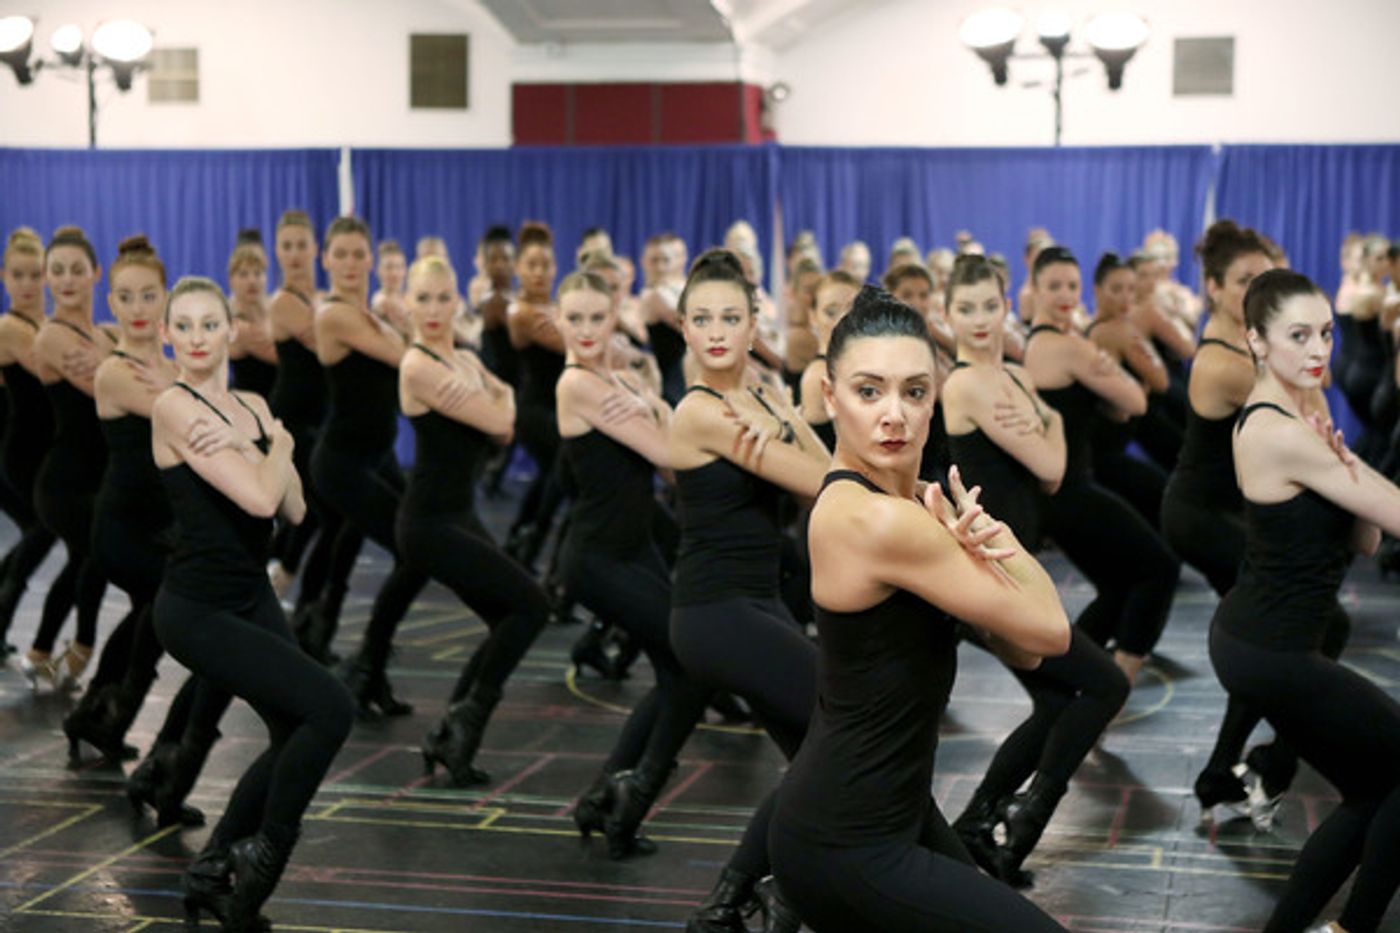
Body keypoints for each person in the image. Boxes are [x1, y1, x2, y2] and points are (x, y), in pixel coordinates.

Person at [768, 286, 1072, 933]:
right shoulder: (874, 519)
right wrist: (1001, 539)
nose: (894, 415)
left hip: (899, 815)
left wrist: (977, 559)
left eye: (914, 391)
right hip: (846, 839)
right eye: (868, 390)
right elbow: (1054, 627)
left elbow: (1028, 650)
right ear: (830, 396)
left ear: (935, 396)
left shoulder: (913, 512)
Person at [151, 275, 352, 930]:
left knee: (299, 724)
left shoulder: (253, 405)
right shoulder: (173, 407)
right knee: (331, 706)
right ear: (167, 335)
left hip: (251, 594)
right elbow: (264, 499)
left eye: (211, 324)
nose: (198, 337)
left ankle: (211, 871)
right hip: (196, 607)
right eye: (184, 326)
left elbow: (294, 506)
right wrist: (277, 447)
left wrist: (262, 444)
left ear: (232, 330)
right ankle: (259, 856)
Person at [1211, 268, 1400, 933]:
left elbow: (1368, 539)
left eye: (1325, 332)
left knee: (1376, 789)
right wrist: (1350, 474)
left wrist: (1346, 471)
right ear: (1256, 341)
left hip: (1272, 640)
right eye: (1298, 335)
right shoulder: (1274, 427)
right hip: (1268, 648)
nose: (1319, 349)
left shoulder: (1308, 411)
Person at [941, 254, 1129, 887]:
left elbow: (1054, 452)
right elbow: (1051, 467)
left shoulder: (1014, 374)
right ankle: (1022, 826)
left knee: (1054, 704)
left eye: (988, 306)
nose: (978, 320)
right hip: (989, 575)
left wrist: (1046, 423)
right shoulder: (966, 385)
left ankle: (977, 828)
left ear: (1006, 306)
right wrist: (1046, 424)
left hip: (1015, 571)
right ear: (948, 316)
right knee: (1104, 685)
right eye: (964, 309)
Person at [1163, 221, 1350, 827]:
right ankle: (1261, 765)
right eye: (1243, 280)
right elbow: (1311, 401)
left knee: (1287, 634)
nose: (1254, 288)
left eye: (1262, 279)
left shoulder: (1250, 346)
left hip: (1227, 512)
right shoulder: (1223, 362)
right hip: (1199, 515)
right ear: (1214, 288)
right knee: (1308, 628)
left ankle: (1230, 770)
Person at [667, 249, 830, 932]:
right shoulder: (701, 411)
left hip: (760, 605)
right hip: (713, 612)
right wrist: (782, 429)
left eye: (730, 317)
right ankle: (744, 889)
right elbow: (824, 484)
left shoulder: (761, 397)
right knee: (846, 720)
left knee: (820, 761)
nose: (716, 331)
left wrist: (783, 420)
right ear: (683, 327)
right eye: (702, 318)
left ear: (752, 322)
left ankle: (739, 902)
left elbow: (829, 469)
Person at [553, 270, 712, 858]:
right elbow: (672, 456)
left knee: (681, 673)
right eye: (576, 319)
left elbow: (666, 458)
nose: (588, 330)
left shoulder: (612, 376)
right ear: (558, 320)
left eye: (598, 317)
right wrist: (657, 405)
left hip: (632, 545)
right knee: (689, 670)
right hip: (597, 557)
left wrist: (652, 402)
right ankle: (624, 803)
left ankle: (606, 799)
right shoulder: (580, 385)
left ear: (616, 309)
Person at [394, 255, 551, 785]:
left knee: (515, 614)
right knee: (530, 605)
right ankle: (458, 730)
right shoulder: (417, 366)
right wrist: (495, 397)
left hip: (459, 515)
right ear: (407, 304)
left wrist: (495, 397)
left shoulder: (462, 359)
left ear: (456, 300)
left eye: (443, 297)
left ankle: (451, 736)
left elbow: (504, 427)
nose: (434, 309)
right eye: (423, 298)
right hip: (429, 523)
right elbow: (502, 418)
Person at [1023, 245, 1179, 684]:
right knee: (1160, 568)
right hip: (1069, 492)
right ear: (1033, 291)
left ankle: (1065, 678)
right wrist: (1112, 370)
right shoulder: (1068, 346)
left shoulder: (1047, 342)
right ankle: (1117, 680)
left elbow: (1119, 410)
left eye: (1070, 285)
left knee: (1117, 587)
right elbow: (1135, 399)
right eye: (1053, 286)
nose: (1064, 294)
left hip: (1063, 492)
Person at [64, 235, 180, 765]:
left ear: (165, 300)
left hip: (160, 520)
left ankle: (94, 717)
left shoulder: (169, 363)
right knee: (164, 603)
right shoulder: (114, 370)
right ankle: (107, 713)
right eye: (126, 297)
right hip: (121, 526)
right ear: (111, 302)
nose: (137, 308)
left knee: (148, 618)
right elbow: (189, 410)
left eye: (148, 296)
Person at [310, 216, 426, 717]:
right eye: (344, 254)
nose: (353, 264)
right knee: (416, 550)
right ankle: (364, 667)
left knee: (412, 550)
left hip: (377, 459)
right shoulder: (335, 315)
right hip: (343, 462)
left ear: (371, 261)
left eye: (361, 255)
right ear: (327, 260)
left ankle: (366, 666)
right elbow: (409, 359)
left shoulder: (374, 314)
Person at [20, 225, 115, 691]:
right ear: (47, 279)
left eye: (77, 270)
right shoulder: (51, 337)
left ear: (96, 274)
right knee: (100, 553)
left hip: (98, 477)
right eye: (57, 271)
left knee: (82, 560)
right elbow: (111, 390)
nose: (68, 279)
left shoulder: (104, 336)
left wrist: (119, 364)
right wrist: (124, 368)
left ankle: (39, 652)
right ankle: (80, 652)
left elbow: (119, 376)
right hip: (63, 481)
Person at [0, 227, 58, 651]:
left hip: (43, 451)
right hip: (13, 453)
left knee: (39, 532)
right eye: (18, 275)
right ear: (5, 278)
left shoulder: (49, 326)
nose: (26, 284)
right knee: (43, 527)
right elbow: (57, 371)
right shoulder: (10, 328)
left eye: (34, 275)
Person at [503, 222, 567, 571]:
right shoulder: (521, 312)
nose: (540, 272)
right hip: (533, 410)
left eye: (546, 265)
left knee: (551, 475)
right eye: (532, 265)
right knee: (560, 467)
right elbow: (575, 345)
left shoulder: (558, 308)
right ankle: (530, 540)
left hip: (560, 409)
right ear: (519, 270)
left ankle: (520, 537)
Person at [799, 271, 862, 449]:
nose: (842, 319)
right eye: (831, 312)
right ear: (813, 317)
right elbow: (818, 459)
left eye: (852, 310)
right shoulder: (818, 376)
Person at [227, 242, 278, 397]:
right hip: (249, 410)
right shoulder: (238, 325)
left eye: (258, 273)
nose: (252, 281)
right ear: (231, 280)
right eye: (243, 274)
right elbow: (285, 359)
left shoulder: (273, 308)